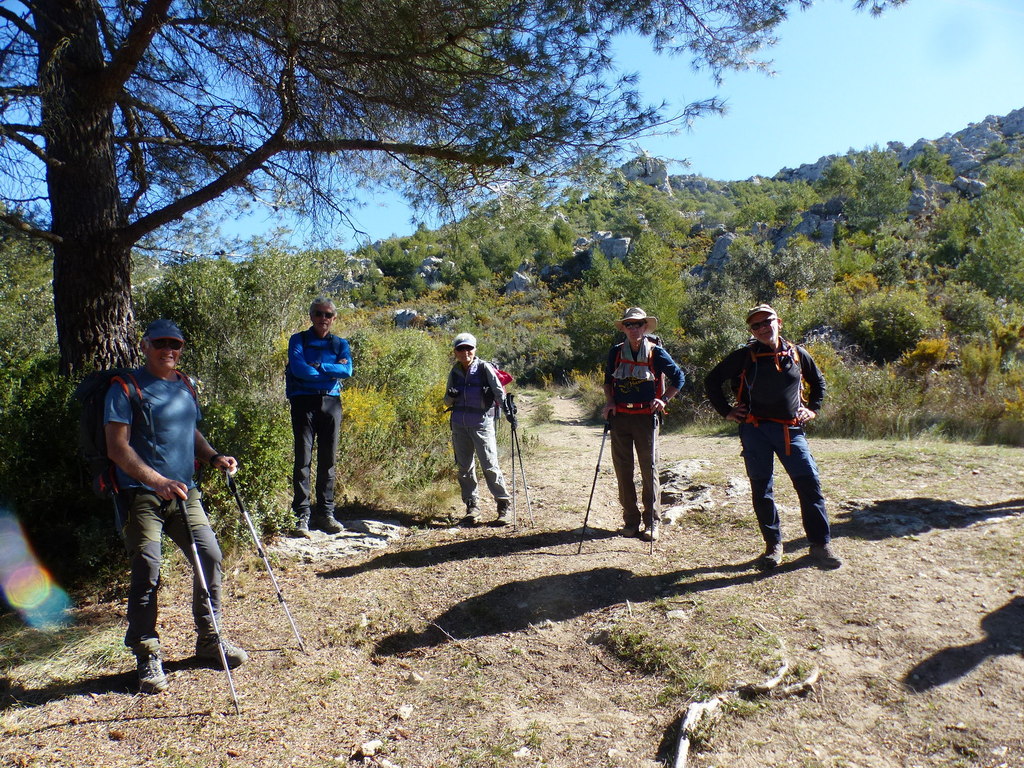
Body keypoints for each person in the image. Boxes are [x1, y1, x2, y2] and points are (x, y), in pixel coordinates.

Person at [104, 319, 247, 695]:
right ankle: (147, 653)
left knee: (210, 556)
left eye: (176, 344)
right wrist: (157, 481)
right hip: (141, 496)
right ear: (145, 346)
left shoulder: (184, 385)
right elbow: (117, 448)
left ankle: (209, 639)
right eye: (162, 343)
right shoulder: (125, 388)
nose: (170, 349)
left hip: (184, 494)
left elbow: (191, 432)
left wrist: (214, 456)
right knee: (147, 568)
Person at [704, 304, 842, 570]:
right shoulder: (744, 356)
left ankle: (820, 544)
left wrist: (812, 410)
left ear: (778, 321)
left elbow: (819, 382)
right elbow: (712, 381)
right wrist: (727, 411)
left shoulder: (798, 354)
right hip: (754, 431)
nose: (762, 328)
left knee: (809, 484)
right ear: (751, 331)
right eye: (756, 326)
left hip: (791, 430)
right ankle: (773, 547)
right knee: (762, 489)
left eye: (766, 322)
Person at [601, 308, 685, 542]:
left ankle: (652, 522)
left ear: (645, 327)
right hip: (620, 418)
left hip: (647, 418)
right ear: (624, 327)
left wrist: (664, 399)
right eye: (629, 324)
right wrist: (609, 402)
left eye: (638, 324)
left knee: (649, 471)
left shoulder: (657, 353)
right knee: (623, 471)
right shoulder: (616, 352)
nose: (633, 328)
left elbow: (679, 377)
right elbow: (608, 381)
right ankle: (630, 521)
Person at [286, 298, 353, 536]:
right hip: (303, 402)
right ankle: (301, 515)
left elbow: (347, 371)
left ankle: (326, 513)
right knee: (303, 460)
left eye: (327, 315)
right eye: (318, 313)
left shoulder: (340, 344)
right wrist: (330, 370)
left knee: (328, 461)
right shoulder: (298, 340)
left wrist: (319, 366)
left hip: (331, 403)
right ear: (311, 316)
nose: (322, 318)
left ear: (334, 318)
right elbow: (299, 369)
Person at [443, 332, 515, 526]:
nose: (465, 352)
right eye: (461, 348)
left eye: (469, 348)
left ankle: (503, 506)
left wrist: (509, 413)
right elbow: (446, 400)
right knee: (464, 467)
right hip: (459, 423)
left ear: (475, 350)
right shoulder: (455, 371)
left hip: (482, 422)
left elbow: (499, 391)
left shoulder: (484, 368)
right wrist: (451, 395)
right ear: (455, 352)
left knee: (489, 464)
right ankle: (472, 507)